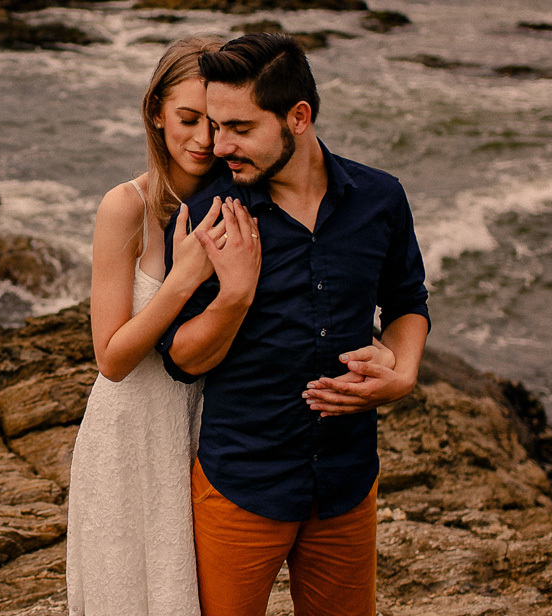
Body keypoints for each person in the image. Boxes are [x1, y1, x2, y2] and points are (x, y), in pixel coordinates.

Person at [156, 32, 430, 616]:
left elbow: (407, 301)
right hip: (240, 488)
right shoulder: (208, 215)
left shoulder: (380, 198)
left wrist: (403, 374)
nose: (218, 144)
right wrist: (234, 295)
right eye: (213, 123)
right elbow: (181, 360)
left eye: (240, 128)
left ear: (298, 117)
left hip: (347, 484)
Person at [66, 35, 231, 616]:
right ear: (156, 112)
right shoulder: (125, 208)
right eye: (188, 119)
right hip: (132, 434)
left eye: (217, 122)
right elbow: (110, 358)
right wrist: (183, 278)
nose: (204, 140)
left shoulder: (243, 201)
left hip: (211, 429)